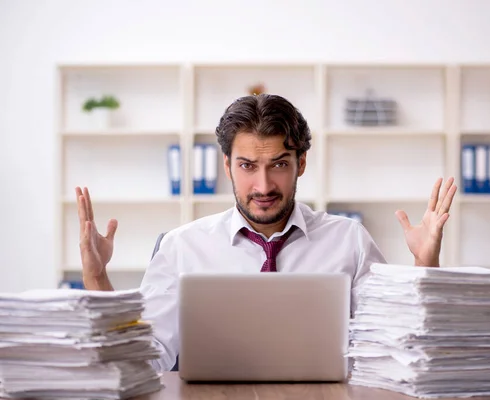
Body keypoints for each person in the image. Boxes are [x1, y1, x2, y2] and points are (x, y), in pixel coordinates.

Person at [75, 94, 457, 372]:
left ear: (301, 164)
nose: (263, 185)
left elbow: (395, 349)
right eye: (247, 165)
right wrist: (97, 278)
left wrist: (426, 264)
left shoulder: (349, 240)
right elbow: (144, 356)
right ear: (226, 166)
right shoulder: (183, 247)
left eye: (278, 164)